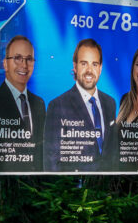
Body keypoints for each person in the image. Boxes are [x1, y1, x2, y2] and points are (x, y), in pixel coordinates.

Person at [0, 35, 47, 171]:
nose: (24, 65)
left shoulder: (39, 104)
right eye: (17, 58)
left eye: (29, 59)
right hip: (4, 185)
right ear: (5, 64)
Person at [43, 38, 117, 172]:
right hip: (74, 188)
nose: (89, 70)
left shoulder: (110, 103)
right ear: (75, 66)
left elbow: (111, 152)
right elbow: (51, 160)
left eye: (94, 64)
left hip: (107, 189)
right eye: (84, 63)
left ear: (100, 68)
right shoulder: (58, 105)